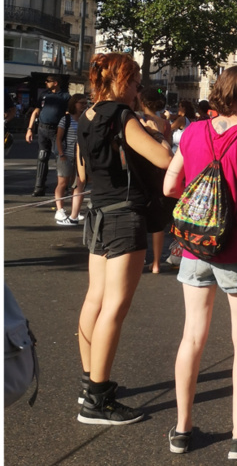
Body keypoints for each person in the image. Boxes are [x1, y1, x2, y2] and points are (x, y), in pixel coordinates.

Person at [163, 66, 237, 458]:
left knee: (192, 335)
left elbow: (170, 186)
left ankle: (181, 427)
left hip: (196, 246)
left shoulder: (192, 131)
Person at [76, 53, 172, 425]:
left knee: (94, 300)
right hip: (124, 216)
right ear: (118, 81)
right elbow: (164, 159)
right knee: (114, 307)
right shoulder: (122, 116)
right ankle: (98, 400)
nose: (137, 89)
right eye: (133, 82)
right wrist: (152, 132)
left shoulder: (86, 116)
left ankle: (90, 381)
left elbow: (83, 171)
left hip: (97, 214)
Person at [138, 87, 175, 274]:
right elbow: (166, 147)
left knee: (141, 216)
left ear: (142, 102)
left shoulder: (138, 121)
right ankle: (156, 264)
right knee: (158, 222)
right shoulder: (165, 123)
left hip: (143, 169)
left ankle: (141, 257)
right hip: (160, 171)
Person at [26, 74, 70, 196]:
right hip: (42, 128)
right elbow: (36, 111)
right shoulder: (44, 95)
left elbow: (68, 115)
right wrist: (30, 129)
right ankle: (39, 187)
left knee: (60, 157)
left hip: (57, 130)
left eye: (48, 81)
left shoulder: (65, 96)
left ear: (55, 83)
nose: (46, 83)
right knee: (42, 156)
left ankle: (63, 187)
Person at [54, 94, 87, 225]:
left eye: (85, 103)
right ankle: (60, 209)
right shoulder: (66, 119)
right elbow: (58, 138)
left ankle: (75, 211)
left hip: (80, 157)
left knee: (77, 183)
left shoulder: (85, 119)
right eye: (82, 103)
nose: (84, 106)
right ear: (74, 104)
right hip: (66, 155)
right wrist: (61, 154)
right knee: (63, 182)